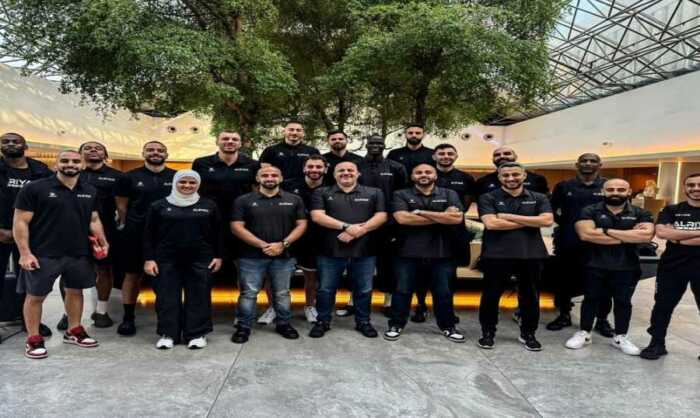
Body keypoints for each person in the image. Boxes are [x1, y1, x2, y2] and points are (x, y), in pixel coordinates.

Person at [14, 150, 108, 359]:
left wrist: (103, 240)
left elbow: (93, 219)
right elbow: (20, 222)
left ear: (82, 165)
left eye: (75, 161)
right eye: (64, 160)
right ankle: (33, 338)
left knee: (75, 291)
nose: (70, 164)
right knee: (35, 296)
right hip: (43, 253)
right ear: (56, 164)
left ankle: (73, 330)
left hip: (79, 253)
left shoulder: (90, 190)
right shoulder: (35, 188)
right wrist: (25, 253)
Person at [565, 179, 654, 356]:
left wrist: (605, 230)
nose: (615, 192)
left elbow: (645, 236)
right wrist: (628, 236)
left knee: (623, 302)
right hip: (594, 264)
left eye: (621, 189)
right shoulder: (590, 210)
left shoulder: (641, 212)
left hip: (627, 266)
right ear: (603, 191)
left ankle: (620, 337)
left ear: (629, 191)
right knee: (590, 299)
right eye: (610, 189)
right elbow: (585, 234)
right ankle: (584, 333)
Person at [383, 164, 466, 343]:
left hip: (442, 253)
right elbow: (403, 219)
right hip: (406, 252)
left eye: (428, 172)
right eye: (418, 172)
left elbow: (456, 218)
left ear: (435, 175)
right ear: (412, 176)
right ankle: (396, 325)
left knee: (443, 292)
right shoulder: (401, 194)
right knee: (402, 291)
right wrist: (442, 216)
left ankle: (448, 327)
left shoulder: (449, 193)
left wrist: (420, 212)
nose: (423, 175)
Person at [477, 162, 553, 351]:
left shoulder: (539, 197)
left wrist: (508, 217)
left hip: (531, 254)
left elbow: (547, 220)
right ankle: (488, 333)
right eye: (506, 175)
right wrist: (531, 221)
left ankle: (528, 334)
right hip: (496, 255)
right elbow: (492, 224)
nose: (511, 178)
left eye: (515, 174)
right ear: (499, 177)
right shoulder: (487, 197)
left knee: (530, 297)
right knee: (491, 296)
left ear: (524, 175)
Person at [143, 170, 222, 350]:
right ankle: (168, 334)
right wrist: (149, 259)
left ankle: (196, 334)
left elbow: (218, 233)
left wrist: (218, 256)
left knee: (199, 296)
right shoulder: (159, 206)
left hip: (201, 258)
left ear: (198, 184)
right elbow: (148, 235)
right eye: (183, 182)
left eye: (192, 183)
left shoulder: (209, 205)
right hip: (166, 259)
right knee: (167, 297)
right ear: (175, 183)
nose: (187, 185)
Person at [309, 161, 387, 338]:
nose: (346, 173)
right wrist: (347, 227)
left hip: (364, 251)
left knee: (364, 289)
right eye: (341, 170)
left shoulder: (374, 192)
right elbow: (317, 216)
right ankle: (322, 322)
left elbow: (381, 216)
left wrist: (360, 230)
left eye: (350, 170)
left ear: (358, 173)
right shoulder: (321, 192)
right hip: (330, 251)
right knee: (326, 289)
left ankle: (363, 322)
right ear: (334, 174)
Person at [230, 166, 307, 343]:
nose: (270, 178)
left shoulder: (294, 199)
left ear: (281, 178)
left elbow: (302, 224)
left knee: (282, 293)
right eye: (265, 175)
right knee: (249, 293)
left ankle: (284, 324)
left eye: (274, 175)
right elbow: (236, 227)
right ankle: (243, 327)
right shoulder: (243, 200)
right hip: (250, 256)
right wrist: (263, 245)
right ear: (258, 178)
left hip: (284, 255)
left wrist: (283, 244)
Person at [55, 141, 124, 330]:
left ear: (106, 154)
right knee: (68, 270)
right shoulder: (69, 173)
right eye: (88, 148)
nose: (93, 150)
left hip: (105, 229)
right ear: (79, 154)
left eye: (98, 148)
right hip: (70, 230)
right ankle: (68, 313)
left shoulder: (117, 176)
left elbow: (122, 205)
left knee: (104, 269)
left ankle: (101, 312)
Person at [115, 141, 176, 336]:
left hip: (167, 234)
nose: (155, 153)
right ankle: (128, 318)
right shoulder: (128, 177)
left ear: (166, 154)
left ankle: (167, 319)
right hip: (136, 233)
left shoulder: (176, 176)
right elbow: (121, 206)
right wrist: (126, 226)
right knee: (132, 274)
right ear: (143, 153)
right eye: (150, 150)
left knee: (167, 276)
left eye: (160, 150)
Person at [548, 153, 613, 335]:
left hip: (600, 243)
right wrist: (567, 224)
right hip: (568, 242)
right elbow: (552, 210)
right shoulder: (564, 186)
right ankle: (564, 314)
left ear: (600, 165)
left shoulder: (608, 186)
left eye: (593, 161)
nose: (588, 164)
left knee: (603, 283)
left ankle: (602, 320)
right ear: (577, 165)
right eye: (584, 161)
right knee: (564, 281)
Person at [641, 173, 700, 360]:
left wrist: (678, 237)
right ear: (685, 188)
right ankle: (657, 343)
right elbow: (662, 232)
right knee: (662, 306)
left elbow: (670, 233)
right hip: (672, 267)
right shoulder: (672, 209)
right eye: (691, 185)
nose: (696, 188)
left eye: (699, 185)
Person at [0, 132, 53, 337]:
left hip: (31, 235)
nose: (11, 144)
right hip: (1, 232)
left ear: (25, 146)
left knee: (31, 280)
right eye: (6, 141)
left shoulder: (40, 170)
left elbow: (50, 201)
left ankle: (29, 321)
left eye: (16, 141)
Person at [192, 130, 260, 282]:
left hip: (242, 222)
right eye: (225, 138)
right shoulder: (201, 163)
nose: (230, 141)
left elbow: (257, 191)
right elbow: (193, 189)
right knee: (205, 267)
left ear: (240, 143)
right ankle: (202, 297)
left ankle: (245, 298)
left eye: (234, 139)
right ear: (217, 141)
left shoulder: (253, 164)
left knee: (244, 270)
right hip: (209, 222)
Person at [387, 124, 435, 321]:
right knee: (400, 266)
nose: (414, 135)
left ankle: (421, 304)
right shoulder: (395, 154)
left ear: (423, 134)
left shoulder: (431, 154)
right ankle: (396, 306)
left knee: (425, 270)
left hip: (427, 204)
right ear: (405, 134)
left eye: (417, 132)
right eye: (410, 132)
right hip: (401, 204)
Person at [357, 135, 408, 316]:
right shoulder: (356, 166)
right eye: (372, 143)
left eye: (379, 143)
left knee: (387, 264)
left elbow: (402, 194)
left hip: (388, 224)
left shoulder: (396, 167)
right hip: (359, 222)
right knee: (357, 263)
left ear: (384, 146)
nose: (375, 146)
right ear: (366, 145)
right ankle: (352, 301)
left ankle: (388, 301)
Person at [281, 155, 328, 323]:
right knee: (278, 276)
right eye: (310, 166)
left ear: (325, 169)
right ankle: (276, 307)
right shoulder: (288, 185)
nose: (314, 170)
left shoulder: (331, 187)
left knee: (311, 276)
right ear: (304, 168)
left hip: (317, 238)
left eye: (318, 167)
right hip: (289, 235)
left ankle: (309, 306)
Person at [474, 147, 549, 198]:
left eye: (507, 154)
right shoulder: (482, 181)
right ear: (493, 159)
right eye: (497, 155)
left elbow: (545, 202)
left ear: (515, 157)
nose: (502, 156)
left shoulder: (537, 179)